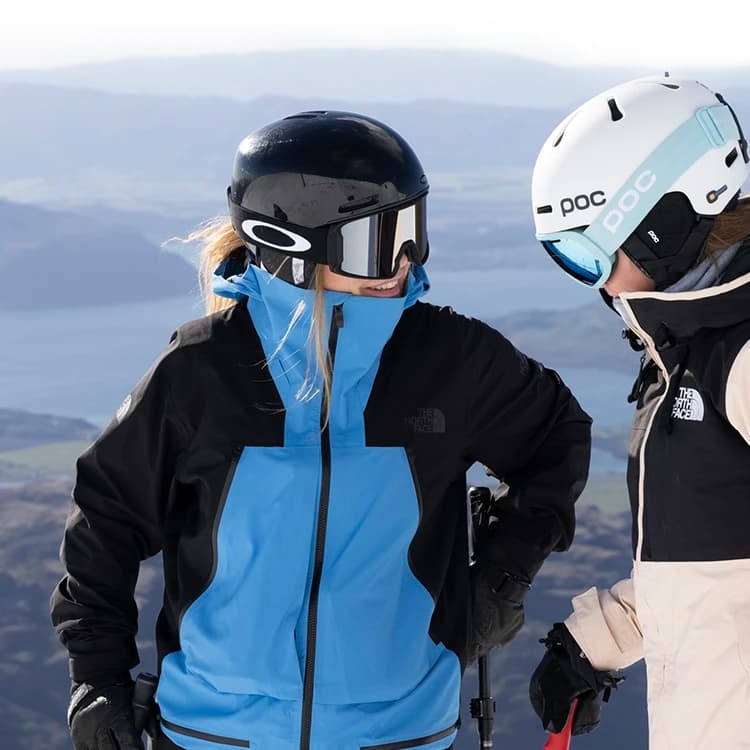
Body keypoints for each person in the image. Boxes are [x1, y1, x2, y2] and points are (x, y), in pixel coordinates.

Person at [50, 110, 592, 750]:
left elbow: (557, 435)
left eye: (412, 231)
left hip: (403, 733)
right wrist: (98, 680)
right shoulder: (204, 371)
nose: (403, 260)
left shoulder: (448, 358)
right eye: (376, 240)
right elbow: (106, 518)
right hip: (212, 734)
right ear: (291, 247)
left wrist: (503, 574)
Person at [527, 76, 750, 749]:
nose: (596, 282)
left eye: (589, 251)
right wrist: (601, 637)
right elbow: (720, 572)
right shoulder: (694, 350)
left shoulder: (739, 356)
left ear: (664, 224)